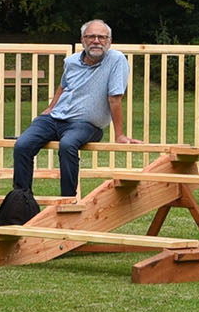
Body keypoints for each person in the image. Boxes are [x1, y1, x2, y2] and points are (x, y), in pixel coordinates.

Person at [12, 20, 129, 202]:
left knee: (67, 145)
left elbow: (115, 98)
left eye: (101, 37)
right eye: (91, 36)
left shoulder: (117, 60)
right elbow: (63, 86)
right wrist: (50, 108)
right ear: (82, 40)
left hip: (86, 124)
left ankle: (68, 201)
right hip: (55, 119)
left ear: (110, 41)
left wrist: (119, 135)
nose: (96, 41)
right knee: (22, 145)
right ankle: (22, 200)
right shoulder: (72, 61)